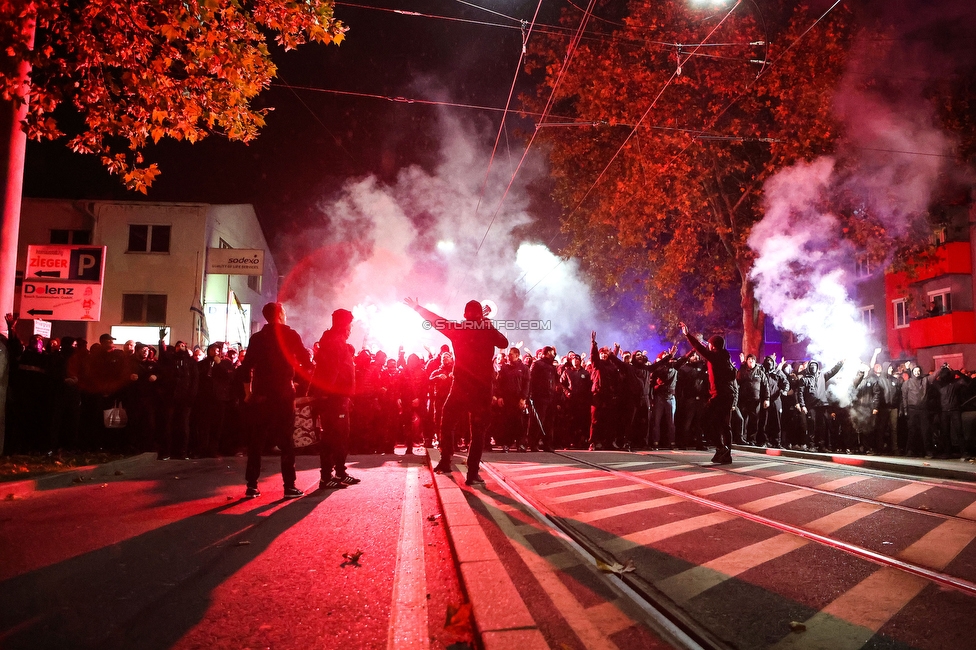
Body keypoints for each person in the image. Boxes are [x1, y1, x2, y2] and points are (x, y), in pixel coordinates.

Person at [404, 297, 508, 486]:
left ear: (464, 314)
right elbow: (504, 343)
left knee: (447, 422)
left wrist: (417, 307)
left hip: (460, 387)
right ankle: (472, 473)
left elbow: (436, 320)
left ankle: (445, 461)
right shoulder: (487, 330)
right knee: (477, 431)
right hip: (482, 388)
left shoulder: (459, 329)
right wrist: (488, 325)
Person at [237, 302, 311, 499]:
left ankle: (252, 485)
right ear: (279, 315)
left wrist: (248, 392)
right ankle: (289, 486)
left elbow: (246, 368)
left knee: (257, 441)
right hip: (284, 393)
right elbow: (305, 359)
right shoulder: (290, 335)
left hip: (262, 394)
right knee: (286, 440)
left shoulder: (258, 338)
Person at [310, 308, 359, 489]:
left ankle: (339, 472)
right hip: (334, 399)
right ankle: (326, 476)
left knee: (340, 436)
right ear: (343, 324)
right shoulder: (336, 342)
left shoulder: (334, 341)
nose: (351, 329)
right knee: (333, 436)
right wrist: (327, 393)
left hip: (338, 397)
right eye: (349, 325)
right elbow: (332, 371)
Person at [679, 322, 737, 464]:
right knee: (723, 425)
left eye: (710, 344)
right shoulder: (725, 358)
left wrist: (687, 335)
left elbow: (699, 348)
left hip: (719, 396)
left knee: (705, 421)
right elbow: (704, 347)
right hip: (727, 396)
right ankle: (725, 453)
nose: (708, 346)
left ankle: (720, 448)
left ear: (713, 346)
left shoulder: (715, 357)